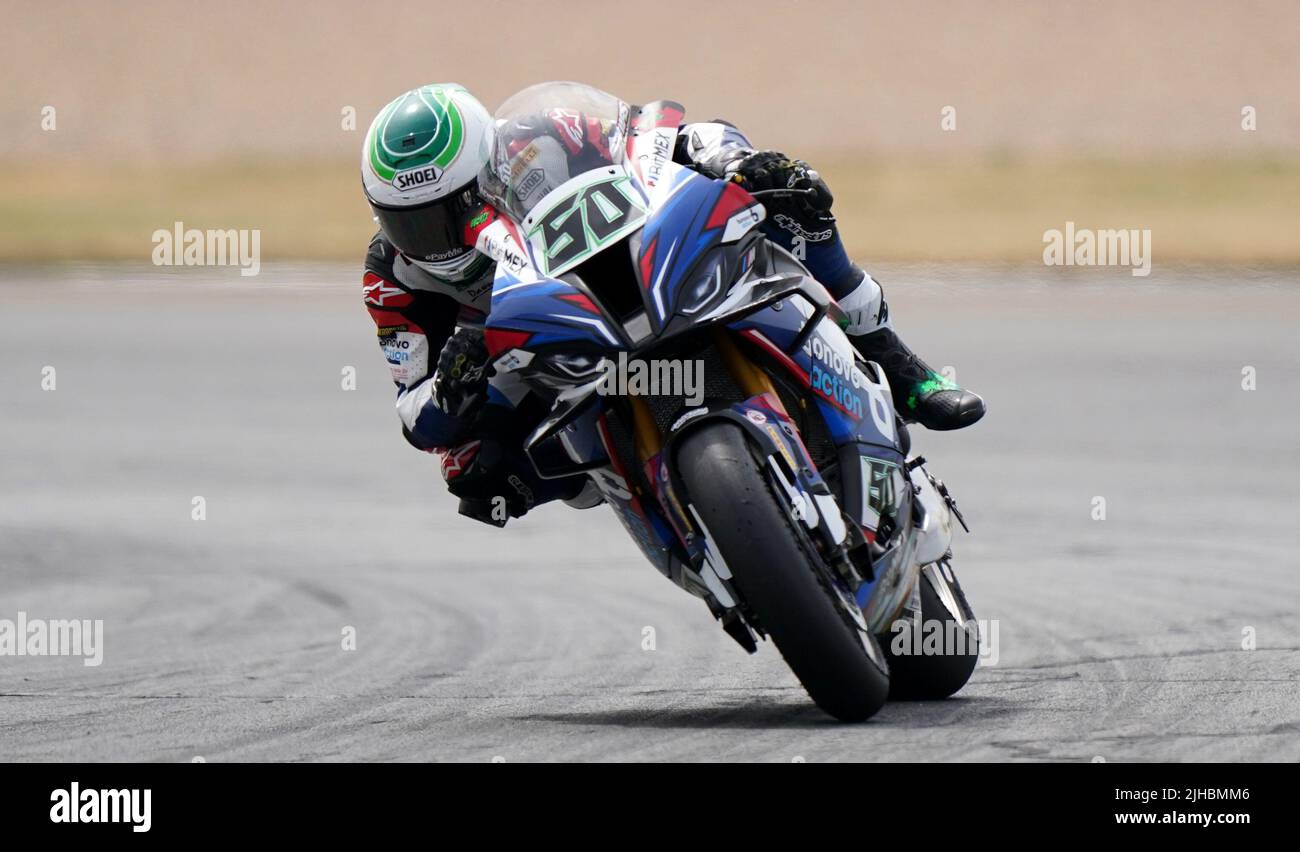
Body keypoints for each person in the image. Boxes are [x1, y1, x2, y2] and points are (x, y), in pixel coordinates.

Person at [360, 83, 985, 525]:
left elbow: (667, 136)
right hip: (528, 356)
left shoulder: (543, 140)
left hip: (636, 270)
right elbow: (412, 412)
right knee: (472, 470)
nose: (430, 240)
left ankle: (900, 369)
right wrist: (450, 385)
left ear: (490, 171)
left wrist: (737, 162)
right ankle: (661, 500)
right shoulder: (391, 277)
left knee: (793, 200)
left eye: (448, 213)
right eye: (407, 223)